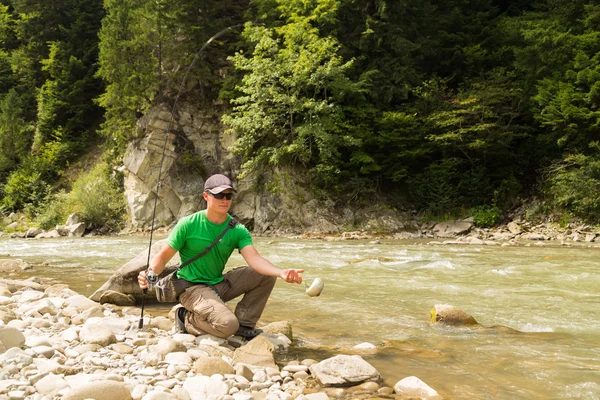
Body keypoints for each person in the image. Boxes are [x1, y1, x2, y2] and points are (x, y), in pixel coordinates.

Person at [138, 173, 304, 340]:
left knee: (266, 276)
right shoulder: (188, 224)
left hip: (218, 284)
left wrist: (280, 272)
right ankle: (185, 318)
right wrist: (150, 273)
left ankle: (244, 325)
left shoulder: (237, 229)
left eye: (228, 195)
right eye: (219, 195)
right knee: (227, 325)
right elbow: (163, 256)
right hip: (191, 288)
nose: (225, 200)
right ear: (206, 196)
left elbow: (254, 259)